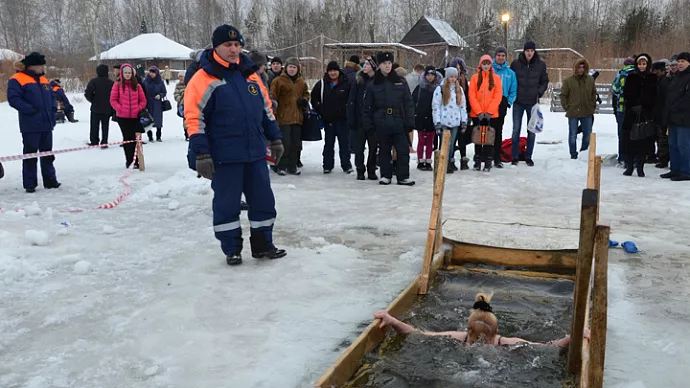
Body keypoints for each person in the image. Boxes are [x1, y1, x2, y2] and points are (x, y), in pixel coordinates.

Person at [185, 24, 286, 265]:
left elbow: (266, 110)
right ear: (216, 47)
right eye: (228, 45)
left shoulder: (250, 75)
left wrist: (276, 138)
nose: (233, 50)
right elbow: (194, 118)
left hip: (254, 153)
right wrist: (201, 153)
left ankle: (263, 245)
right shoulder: (203, 78)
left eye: (237, 45)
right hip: (224, 156)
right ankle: (232, 248)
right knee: (227, 204)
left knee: (263, 201)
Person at [374, 293, 587, 347]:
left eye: (485, 338)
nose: (480, 342)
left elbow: (546, 347)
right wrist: (392, 321)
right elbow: (416, 333)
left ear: (496, 332)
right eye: (477, 338)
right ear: (469, 331)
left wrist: (571, 337)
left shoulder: (507, 343)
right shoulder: (461, 337)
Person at [7, 52, 60, 193]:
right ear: (33, 66)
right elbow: (14, 99)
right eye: (41, 65)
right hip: (30, 124)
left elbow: (52, 96)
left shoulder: (43, 79)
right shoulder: (16, 79)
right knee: (30, 155)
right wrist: (32, 111)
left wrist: (54, 110)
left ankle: (50, 180)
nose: (43, 68)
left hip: (47, 124)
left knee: (47, 154)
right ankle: (30, 184)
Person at [362, 51, 415, 186]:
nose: (387, 66)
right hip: (381, 120)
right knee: (384, 149)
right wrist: (368, 125)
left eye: (389, 63)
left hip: (398, 119)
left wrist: (410, 121)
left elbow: (408, 103)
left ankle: (403, 176)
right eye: (384, 63)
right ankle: (386, 175)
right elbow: (367, 106)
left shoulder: (400, 81)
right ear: (379, 65)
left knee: (402, 149)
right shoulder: (373, 84)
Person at [510, 41, 549, 166]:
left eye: (531, 51)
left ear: (534, 51)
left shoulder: (540, 65)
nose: (529, 53)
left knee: (531, 130)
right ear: (524, 51)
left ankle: (528, 156)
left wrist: (539, 92)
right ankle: (515, 156)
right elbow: (511, 80)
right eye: (527, 51)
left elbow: (544, 81)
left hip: (532, 103)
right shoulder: (516, 64)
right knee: (516, 129)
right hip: (518, 102)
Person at [312, 61, 354, 174]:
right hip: (328, 120)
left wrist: (347, 111)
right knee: (328, 144)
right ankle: (327, 165)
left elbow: (352, 99)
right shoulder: (321, 84)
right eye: (330, 71)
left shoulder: (347, 83)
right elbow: (314, 99)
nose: (333, 73)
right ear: (327, 72)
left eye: (335, 70)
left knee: (344, 144)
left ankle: (346, 165)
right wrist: (320, 109)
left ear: (338, 71)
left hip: (343, 120)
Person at [271, 57, 310, 175]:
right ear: (286, 68)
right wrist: (274, 108)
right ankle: (282, 166)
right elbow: (272, 96)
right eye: (290, 67)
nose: (292, 69)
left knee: (295, 143)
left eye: (294, 67)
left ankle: (292, 166)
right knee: (285, 143)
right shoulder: (278, 81)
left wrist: (304, 101)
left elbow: (306, 94)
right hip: (283, 118)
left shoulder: (301, 82)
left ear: (297, 69)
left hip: (297, 117)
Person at [621, 54, 657, 177]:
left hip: (646, 113)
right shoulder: (631, 77)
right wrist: (633, 105)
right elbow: (626, 93)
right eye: (639, 64)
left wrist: (645, 105)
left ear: (648, 65)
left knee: (643, 141)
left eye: (644, 64)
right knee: (630, 141)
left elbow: (654, 95)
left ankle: (640, 167)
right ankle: (630, 166)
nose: (642, 66)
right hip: (632, 112)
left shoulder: (652, 78)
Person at [469, 55, 503, 172]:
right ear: (480, 64)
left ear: (491, 65)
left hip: (491, 114)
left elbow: (497, 96)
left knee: (489, 138)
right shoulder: (474, 78)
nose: (486, 66)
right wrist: (478, 112)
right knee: (478, 137)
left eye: (488, 64)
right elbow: (472, 96)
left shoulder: (496, 78)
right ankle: (477, 160)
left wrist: (489, 112)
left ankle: (488, 160)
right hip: (477, 114)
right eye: (484, 64)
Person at [347, 56, 379, 181]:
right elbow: (352, 101)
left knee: (373, 148)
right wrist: (351, 119)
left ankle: (371, 169)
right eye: (364, 64)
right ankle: (360, 170)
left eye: (367, 64)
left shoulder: (378, 81)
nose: (364, 66)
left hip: (373, 121)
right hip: (359, 120)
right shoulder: (358, 80)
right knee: (359, 148)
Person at [110, 64, 147, 169]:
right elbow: (113, 100)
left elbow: (143, 100)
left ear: (132, 74)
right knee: (127, 139)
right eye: (125, 73)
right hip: (123, 117)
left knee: (135, 139)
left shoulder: (137, 85)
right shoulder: (117, 85)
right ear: (122, 73)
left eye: (129, 73)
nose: (127, 75)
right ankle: (129, 160)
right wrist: (120, 108)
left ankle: (136, 160)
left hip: (135, 116)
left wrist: (138, 108)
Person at [432, 67, 467, 174]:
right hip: (444, 121)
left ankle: (449, 163)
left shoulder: (459, 89)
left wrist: (464, 120)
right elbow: (436, 106)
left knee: (451, 144)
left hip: (455, 122)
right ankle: (442, 163)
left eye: (455, 77)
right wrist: (437, 122)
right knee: (444, 143)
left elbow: (462, 106)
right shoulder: (440, 89)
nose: (453, 79)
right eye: (451, 76)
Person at [560, 58, 597, 159]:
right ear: (575, 68)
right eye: (579, 67)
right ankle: (573, 154)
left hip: (587, 111)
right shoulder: (568, 81)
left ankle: (583, 153)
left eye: (583, 67)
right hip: (573, 112)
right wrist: (567, 107)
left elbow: (594, 93)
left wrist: (592, 105)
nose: (581, 69)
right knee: (573, 134)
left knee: (587, 135)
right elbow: (563, 95)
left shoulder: (590, 80)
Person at [662, 52, 690, 181]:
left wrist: (675, 106)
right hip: (672, 117)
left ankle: (686, 171)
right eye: (678, 62)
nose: (679, 64)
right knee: (672, 144)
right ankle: (675, 169)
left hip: (685, 118)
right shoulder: (676, 77)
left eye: (682, 61)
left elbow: (687, 98)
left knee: (683, 145)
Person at [413, 66, 442, 171]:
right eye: (428, 75)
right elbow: (413, 101)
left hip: (432, 118)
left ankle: (429, 161)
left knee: (430, 141)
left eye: (432, 75)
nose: (430, 77)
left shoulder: (438, 88)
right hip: (420, 117)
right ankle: (420, 161)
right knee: (421, 140)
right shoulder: (420, 87)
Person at [492, 46, 517, 168]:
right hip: (490, 103)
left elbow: (513, 90)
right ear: (495, 56)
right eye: (498, 55)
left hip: (502, 101)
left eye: (503, 55)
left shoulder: (510, 73)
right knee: (487, 130)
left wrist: (508, 102)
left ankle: (497, 157)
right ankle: (485, 155)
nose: (500, 57)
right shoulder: (489, 70)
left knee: (498, 130)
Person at [447, 56, 471, 171]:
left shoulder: (464, 81)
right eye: (456, 68)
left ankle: (463, 159)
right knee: (452, 138)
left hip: (463, 111)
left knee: (463, 137)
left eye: (460, 68)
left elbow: (468, 97)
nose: (459, 70)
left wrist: (468, 113)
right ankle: (450, 160)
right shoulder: (448, 82)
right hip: (451, 113)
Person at [611, 57, 635, 168]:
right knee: (634, 134)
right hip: (634, 108)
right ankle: (634, 159)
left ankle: (623, 158)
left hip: (622, 107)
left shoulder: (620, 75)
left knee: (622, 133)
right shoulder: (637, 74)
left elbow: (614, 89)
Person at [85, 64, 115, 147]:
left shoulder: (93, 82)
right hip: (107, 108)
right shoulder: (111, 83)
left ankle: (94, 141)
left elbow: (88, 94)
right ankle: (104, 142)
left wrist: (93, 101)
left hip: (95, 107)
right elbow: (114, 96)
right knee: (105, 126)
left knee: (94, 125)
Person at [652, 60, 671, 169]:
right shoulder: (659, 81)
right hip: (658, 112)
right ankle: (661, 156)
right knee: (659, 136)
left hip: (662, 113)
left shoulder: (665, 82)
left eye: (656, 71)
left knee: (663, 137)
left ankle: (663, 158)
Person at [143, 66, 167, 142]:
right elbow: (142, 91)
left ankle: (158, 136)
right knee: (148, 119)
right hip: (148, 102)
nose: (151, 74)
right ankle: (150, 136)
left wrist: (160, 95)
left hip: (157, 103)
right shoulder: (145, 81)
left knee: (158, 120)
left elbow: (164, 92)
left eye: (153, 72)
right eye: (150, 72)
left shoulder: (160, 82)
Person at [173, 72, 188, 141]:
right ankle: (186, 134)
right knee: (185, 119)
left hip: (190, 104)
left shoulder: (189, 83)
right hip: (182, 105)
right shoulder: (178, 85)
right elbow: (176, 94)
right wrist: (180, 100)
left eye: (182, 76)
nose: (181, 78)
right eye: (180, 77)